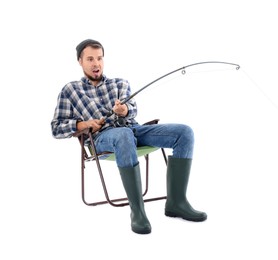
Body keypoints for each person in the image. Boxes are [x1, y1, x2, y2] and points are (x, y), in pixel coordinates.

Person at [51, 39, 207, 234]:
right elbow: (56, 128)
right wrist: (85, 124)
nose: (96, 63)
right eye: (90, 59)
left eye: (99, 58)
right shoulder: (70, 90)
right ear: (80, 61)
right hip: (102, 139)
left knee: (184, 132)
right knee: (124, 135)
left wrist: (124, 110)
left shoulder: (120, 83)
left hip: (134, 130)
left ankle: (177, 202)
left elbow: (132, 110)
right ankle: (137, 212)